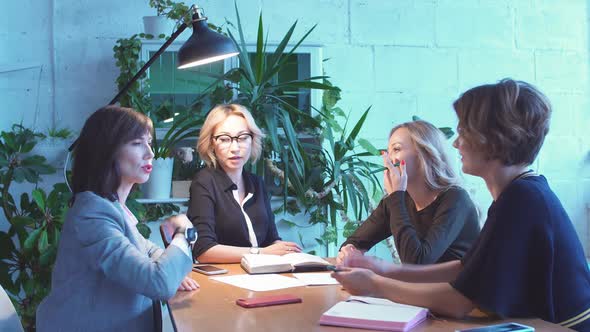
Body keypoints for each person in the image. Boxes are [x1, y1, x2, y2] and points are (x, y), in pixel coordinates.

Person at [331, 79, 590, 331]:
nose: (456, 143)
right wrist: (384, 268)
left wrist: (375, 284)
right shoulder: (521, 191)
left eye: (464, 132)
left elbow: (459, 302)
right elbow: (466, 269)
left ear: (493, 139)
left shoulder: (522, 198)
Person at [36, 106, 199, 332]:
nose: (150, 153)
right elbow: (158, 283)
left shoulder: (113, 207)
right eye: (136, 143)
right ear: (106, 150)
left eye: (149, 143)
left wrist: (168, 267)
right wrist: (184, 232)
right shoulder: (93, 213)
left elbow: (148, 252)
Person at [338, 120, 480, 265]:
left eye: (397, 149)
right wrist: (349, 251)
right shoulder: (396, 200)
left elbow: (417, 263)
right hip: (418, 287)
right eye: (388, 151)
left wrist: (396, 197)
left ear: (423, 154)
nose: (388, 159)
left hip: (455, 287)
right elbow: (355, 242)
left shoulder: (455, 199)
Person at [188, 104, 301, 263]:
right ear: (212, 143)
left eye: (242, 138)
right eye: (225, 139)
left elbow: (271, 239)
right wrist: (260, 253)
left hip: (262, 275)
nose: (235, 148)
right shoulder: (204, 182)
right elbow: (203, 250)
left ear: (252, 139)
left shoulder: (256, 183)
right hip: (226, 279)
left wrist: (284, 250)